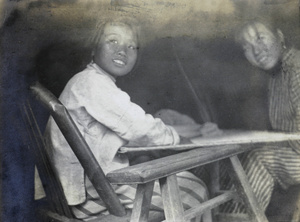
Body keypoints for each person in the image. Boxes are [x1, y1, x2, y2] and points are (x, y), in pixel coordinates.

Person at [35, 18, 213, 222]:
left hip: (91, 191)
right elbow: (139, 127)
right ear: (93, 48)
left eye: (131, 46)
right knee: (195, 189)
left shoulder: (93, 82)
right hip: (97, 198)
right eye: (113, 41)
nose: (123, 50)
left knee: (160, 170)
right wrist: (178, 140)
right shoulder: (91, 82)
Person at [221, 19, 300, 219]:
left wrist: (266, 144)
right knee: (233, 161)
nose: (257, 51)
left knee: (259, 159)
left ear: (280, 36)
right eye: (247, 47)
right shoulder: (276, 76)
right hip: (294, 152)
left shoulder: (296, 67)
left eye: (260, 38)